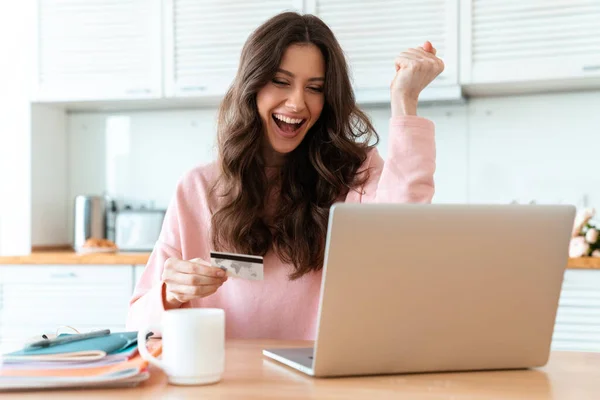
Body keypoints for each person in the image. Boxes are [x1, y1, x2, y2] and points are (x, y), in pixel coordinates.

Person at [127, 11, 443, 339]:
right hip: (227, 384)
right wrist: (171, 294)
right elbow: (137, 321)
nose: (296, 103)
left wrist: (405, 100)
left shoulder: (354, 174)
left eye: (315, 88)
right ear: (252, 84)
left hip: (322, 381)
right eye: (281, 81)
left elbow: (404, 230)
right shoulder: (198, 188)